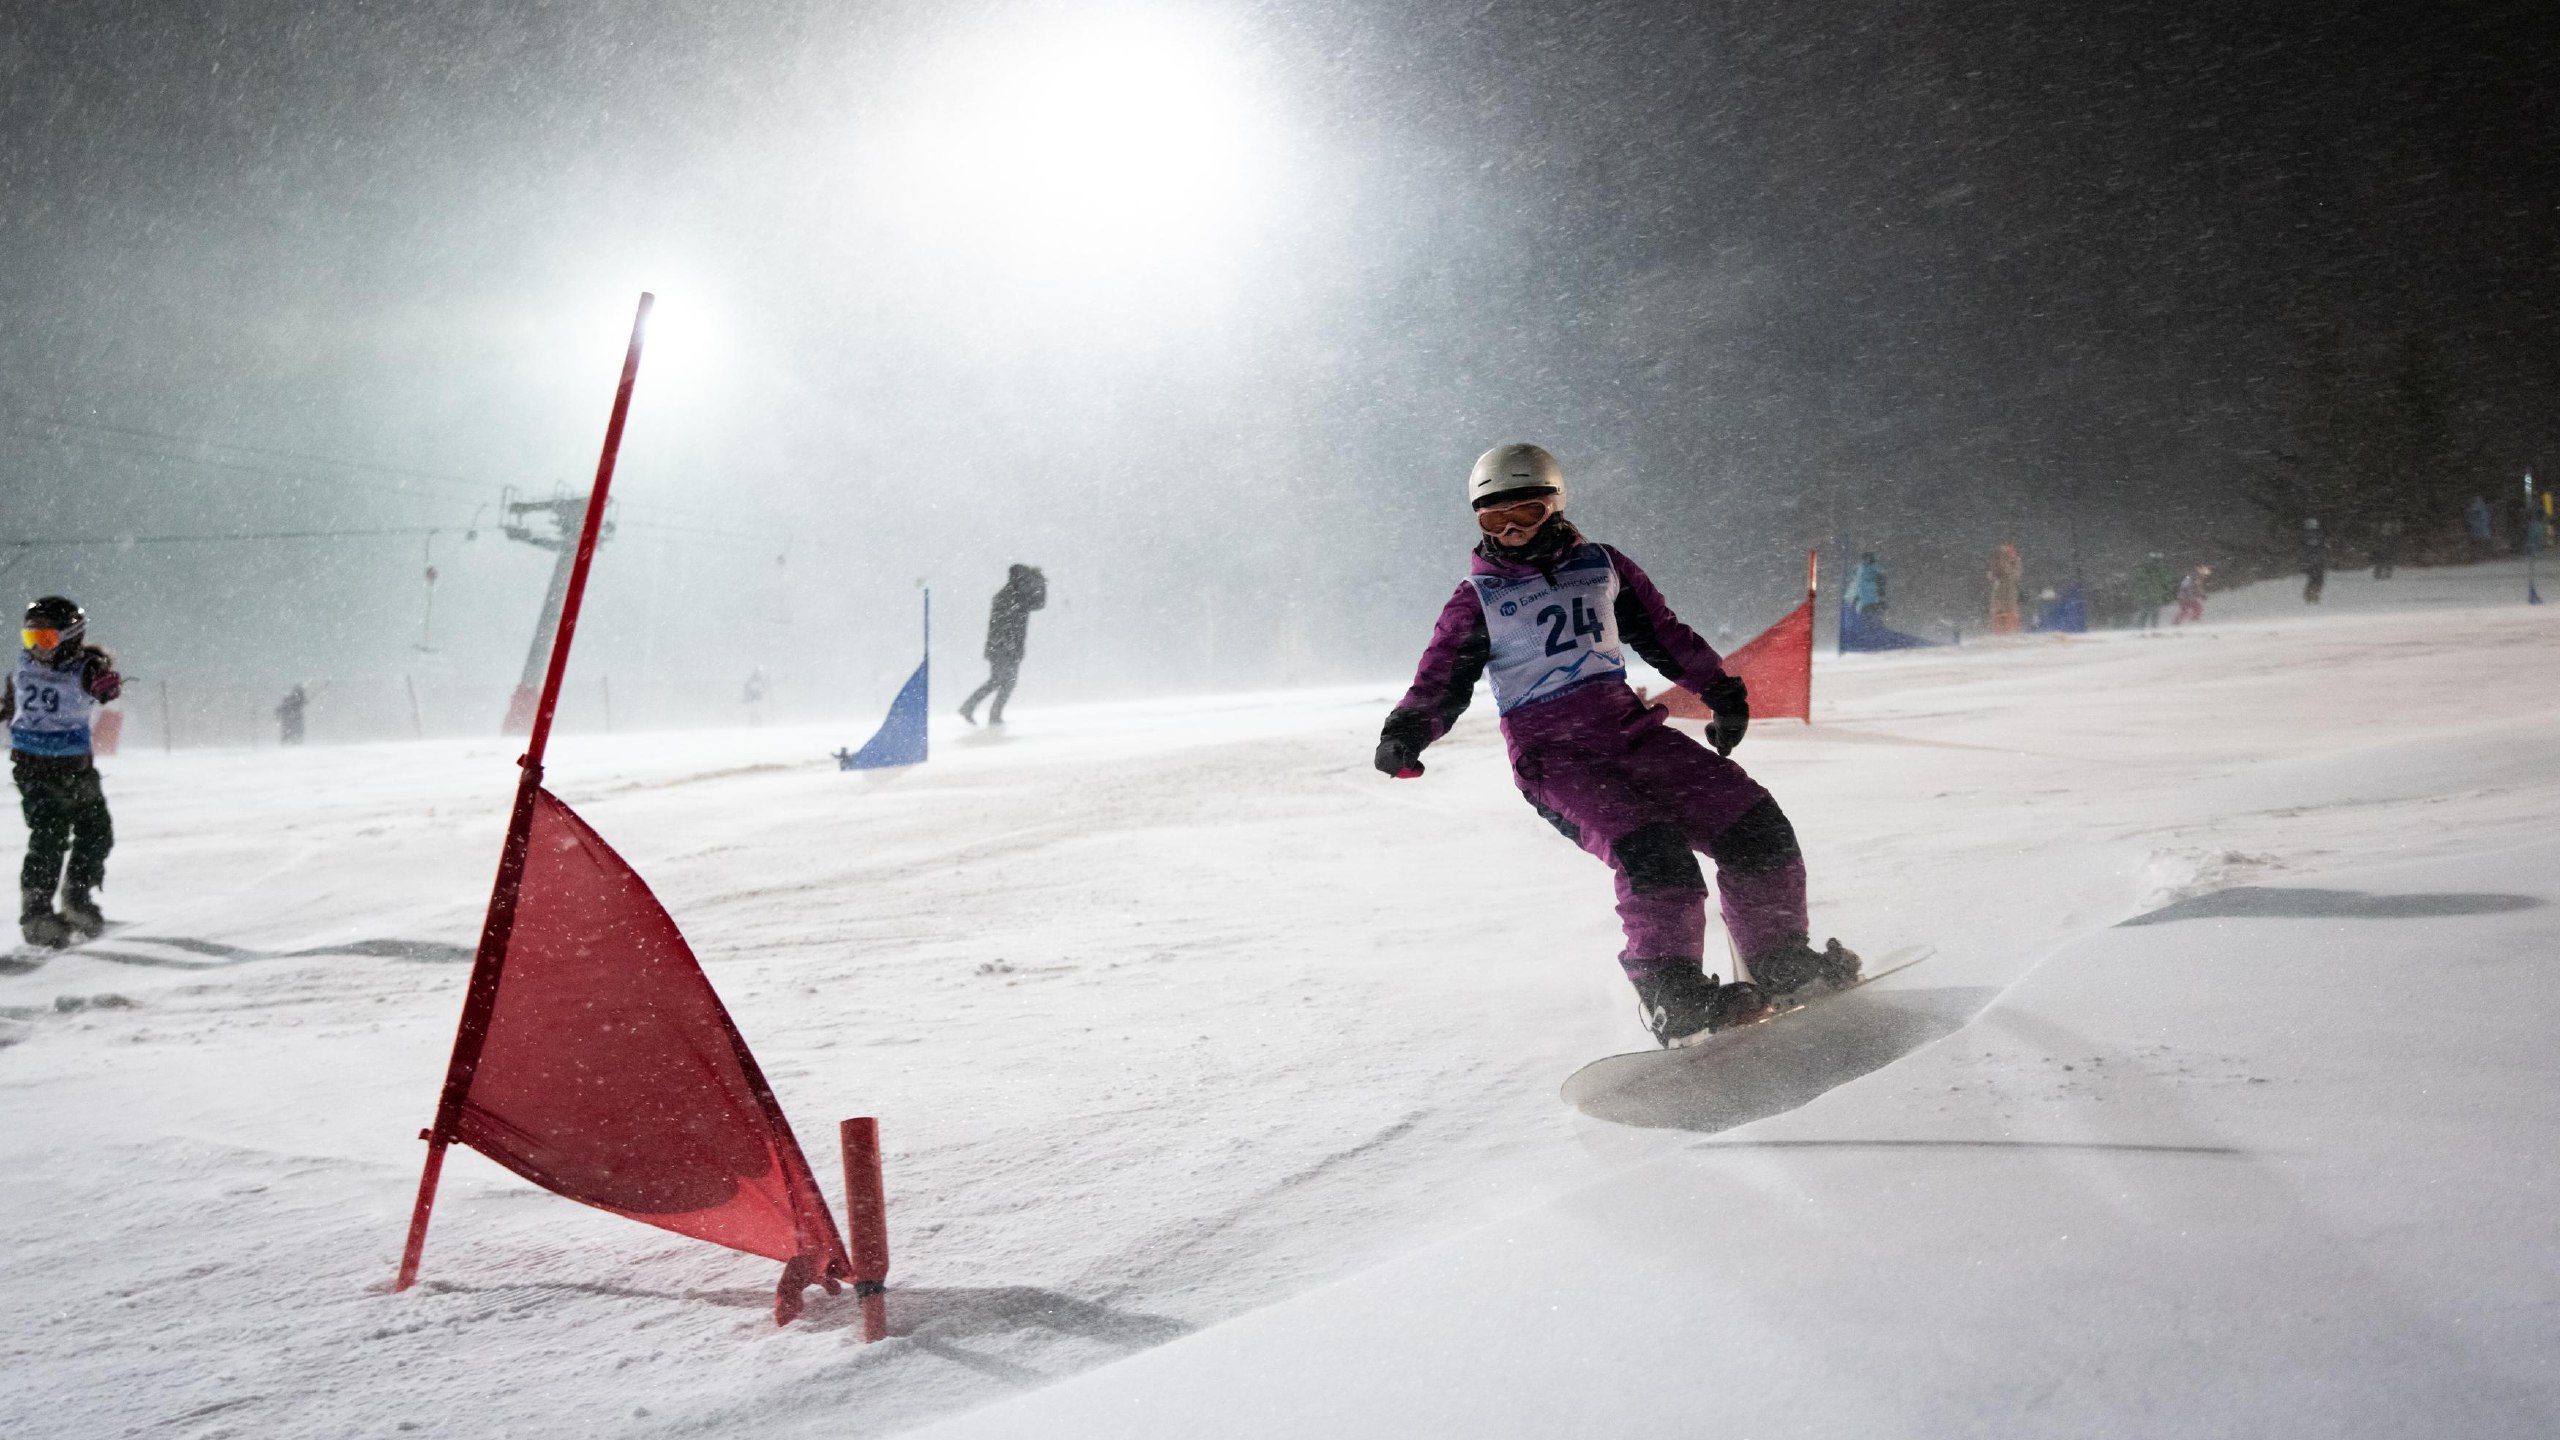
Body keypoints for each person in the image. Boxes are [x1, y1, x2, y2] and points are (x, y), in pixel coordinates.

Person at [1374, 443, 1859, 1049]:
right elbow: (1442, 679)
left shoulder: (1602, 568)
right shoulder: (1478, 600)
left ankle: (1781, 960)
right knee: (1653, 854)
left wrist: (1721, 691)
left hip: (1632, 734)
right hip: (1556, 758)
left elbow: (1662, 634)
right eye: (1494, 520)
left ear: (1554, 506)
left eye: (1525, 512)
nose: (1512, 531)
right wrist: (1406, 732)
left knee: (1754, 826)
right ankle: (1675, 997)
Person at [7, 597, 122, 947]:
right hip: (33, 767)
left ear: (69, 637)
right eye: (31, 640)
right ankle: (37, 913)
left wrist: (106, 686)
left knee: (96, 830)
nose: (37, 650)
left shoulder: (84, 667)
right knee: (49, 833)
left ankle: (77, 897)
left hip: (76, 767)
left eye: (45, 640)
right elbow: (9, 705)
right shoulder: (23, 669)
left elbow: (102, 686)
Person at [959, 564, 1047, 726]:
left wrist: (1040, 583)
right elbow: (1036, 605)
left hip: (1003, 647)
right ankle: (986, 713)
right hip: (1004, 648)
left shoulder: (1011, 596)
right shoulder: (1012, 597)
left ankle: (976, 709)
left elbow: (1038, 604)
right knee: (1004, 681)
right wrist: (1040, 582)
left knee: (999, 681)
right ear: (1017, 578)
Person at [2132, 553, 2176, 630]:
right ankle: (2153, 628)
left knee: (2145, 612)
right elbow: (2166, 580)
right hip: (2155, 594)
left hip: (2146, 594)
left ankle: (2141, 628)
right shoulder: (2160, 568)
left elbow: (2139, 580)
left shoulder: (2144, 567)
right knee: (2154, 612)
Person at [1988, 544, 2022, 634]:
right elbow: (1992, 576)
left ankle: (2010, 632)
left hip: (2010, 594)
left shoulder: (2016, 563)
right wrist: (1998, 565)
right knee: (1998, 614)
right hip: (1999, 594)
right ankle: (1998, 632)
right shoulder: (1996, 563)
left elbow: (2014, 576)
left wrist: (2006, 566)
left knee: (2010, 614)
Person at [1848, 552, 1887, 617]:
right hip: (1864, 601)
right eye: (1865, 558)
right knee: (1866, 617)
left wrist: (1880, 591)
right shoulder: (1861, 568)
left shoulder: (1875, 567)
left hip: (1872, 600)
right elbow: (1858, 584)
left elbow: (1881, 578)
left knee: (1870, 617)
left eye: (1868, 558)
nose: (1866, 560)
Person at [2301, 517, 2327, 603]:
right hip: (2317, 561)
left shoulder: (2304, 535)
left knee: (2313, 579)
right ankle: (2313, 594)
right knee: (2318, 579)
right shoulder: (2317, 534)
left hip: (2309, 561)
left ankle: (2310, 594)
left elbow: (2304, 550)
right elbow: (2320, 547)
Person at [2467, 495, 2493, 562]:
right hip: (2481, 532)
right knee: (2480, 545)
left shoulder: (2474, 511)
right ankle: (2480, 558)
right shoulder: (2483, 510)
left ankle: (2480, 558)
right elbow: (2487, 520)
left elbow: (2471, 521)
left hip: (2478, 532)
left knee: (2479, 545)